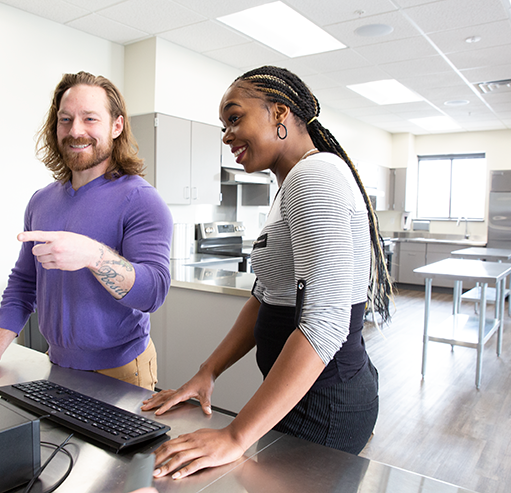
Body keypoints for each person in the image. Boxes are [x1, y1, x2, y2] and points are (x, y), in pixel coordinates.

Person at [141, 66, 393, 479]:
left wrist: (236, 435)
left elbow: (327, 324)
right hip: (303, 398)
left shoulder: (315, 177)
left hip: (323, 405)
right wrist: (207, 372)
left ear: (280, 114)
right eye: (224, 125)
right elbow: (265, 298)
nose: (226, 135)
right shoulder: (292, 184)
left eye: (235, 118)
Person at [0, 72, 173, 391]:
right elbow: (24, 283)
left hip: (121, 370)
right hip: (56, 364)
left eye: (90, 118)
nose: (76, 130)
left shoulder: (142, 200)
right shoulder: (41, 201)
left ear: (116, 126)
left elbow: (153, 293)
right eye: (65, 119)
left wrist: (93, 256)